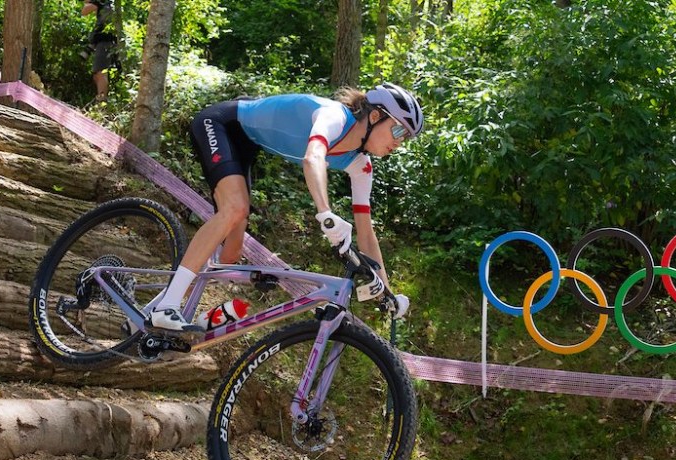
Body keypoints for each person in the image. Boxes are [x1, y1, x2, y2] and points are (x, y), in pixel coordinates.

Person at [145, 83, 424, 332]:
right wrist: (325, 213)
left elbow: (366, 234)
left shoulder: (361, 165)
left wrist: (387, 291)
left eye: (406, 137)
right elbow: (313, 157)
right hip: (221, 124)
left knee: (229, 254)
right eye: (398, 129)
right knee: (235, 209)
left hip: (247, 143)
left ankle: (147, 315)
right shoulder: (335, 116)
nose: (399, 141)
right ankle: (165, 307)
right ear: (375, 116)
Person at [81, 0, 116, 102]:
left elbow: (84, 11)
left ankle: (102, 102)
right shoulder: (107, 3)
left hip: (105, 40)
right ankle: (101, 99)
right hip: (106, 41)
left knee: (100, 72)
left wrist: (89, 2)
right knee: (97, 75)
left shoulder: (101, 1)